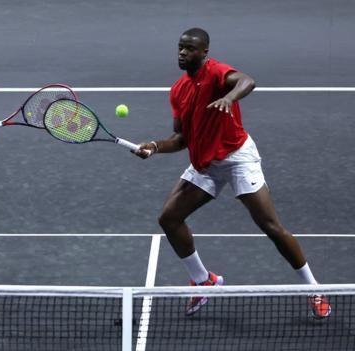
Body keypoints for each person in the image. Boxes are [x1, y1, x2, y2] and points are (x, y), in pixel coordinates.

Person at [135, 28, 331, 318]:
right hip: (206, 162)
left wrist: (229, 98)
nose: (182, 53)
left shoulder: (216, 74)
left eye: (189, 49)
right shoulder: (178, 90)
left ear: (204, 52)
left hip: (237, 157)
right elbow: (180, 139)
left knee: (270, 226)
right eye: (180, 48)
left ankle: (313, 287)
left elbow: (246, 81)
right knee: (169, 218)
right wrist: (153, 146)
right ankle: (204, 281)